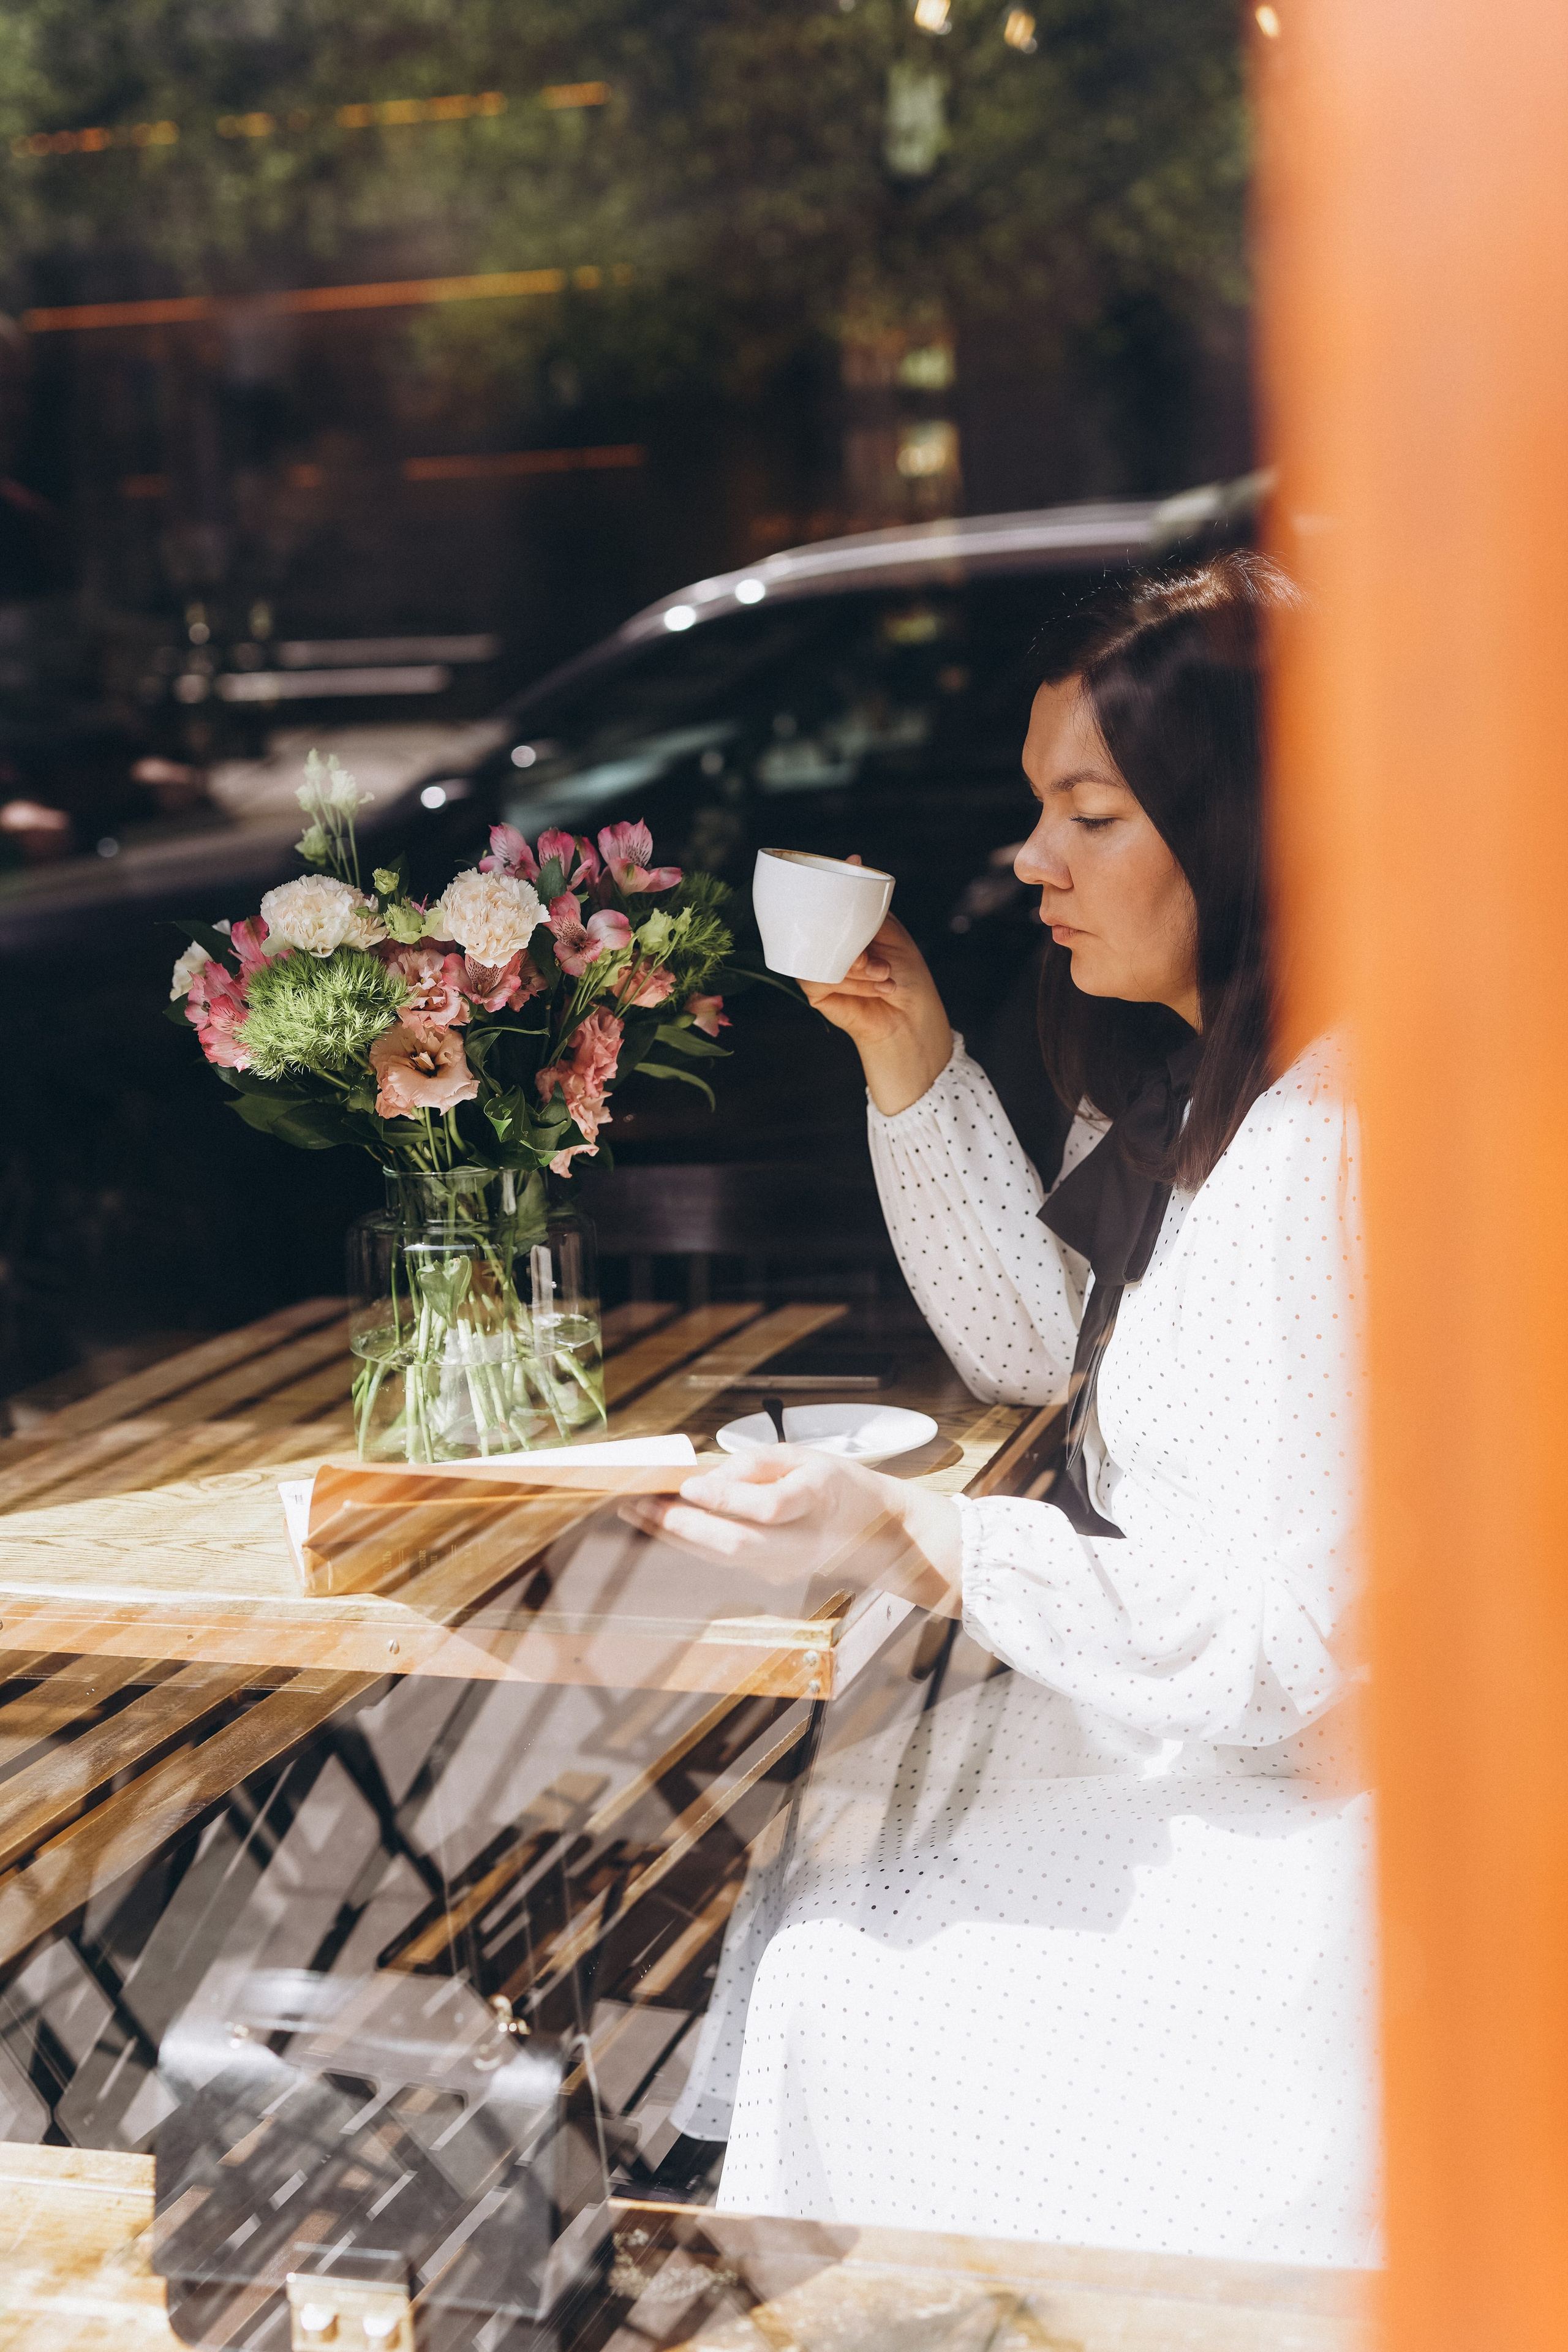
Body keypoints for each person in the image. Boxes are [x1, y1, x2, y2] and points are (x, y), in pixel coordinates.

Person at [627, 553, 1378, 2268]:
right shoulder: (1218, 1082)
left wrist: (919, 1535)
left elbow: (1295, 1634)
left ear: (1251, 821)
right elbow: (1056, 1356)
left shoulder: (1339, 1136)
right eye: (1039, 808)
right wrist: (913, 1059)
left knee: (838, 1929)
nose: (1029, 857)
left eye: (1089, 813)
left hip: (1316, 1824)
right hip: (1208, 1745)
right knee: (831, 1830)